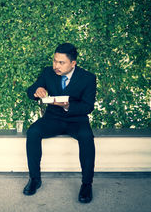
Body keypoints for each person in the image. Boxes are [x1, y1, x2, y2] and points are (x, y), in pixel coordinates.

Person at [23, 43, 96, 203]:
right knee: (33, 132)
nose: (56, 66)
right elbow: (30, 91)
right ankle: (35, 179)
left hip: (77, 120)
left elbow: (88, 106)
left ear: (73, 63)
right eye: (55, 61)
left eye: (61, 63)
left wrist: (69, 106)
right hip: (53, 118)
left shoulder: (88, 78)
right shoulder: (48, 72)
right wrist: (38, 91)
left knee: (87, 137)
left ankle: (86, 184)